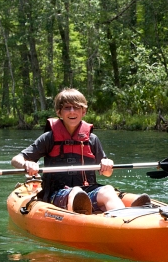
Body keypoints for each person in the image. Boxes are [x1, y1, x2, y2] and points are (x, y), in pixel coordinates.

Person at [11, 88, 150, 214]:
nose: (72, 111)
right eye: (67, 108)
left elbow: (107, 174)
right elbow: (16, 159)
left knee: (108, 190)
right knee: (75, 192)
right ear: (59, 112)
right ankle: (82, 221)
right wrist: (26, 164)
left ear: (83, 111)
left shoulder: (92, 139)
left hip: (87, 190)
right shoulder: (49, 138)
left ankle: (124, 221)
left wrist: (107, 164)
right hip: (56, 193)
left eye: (77, 107)